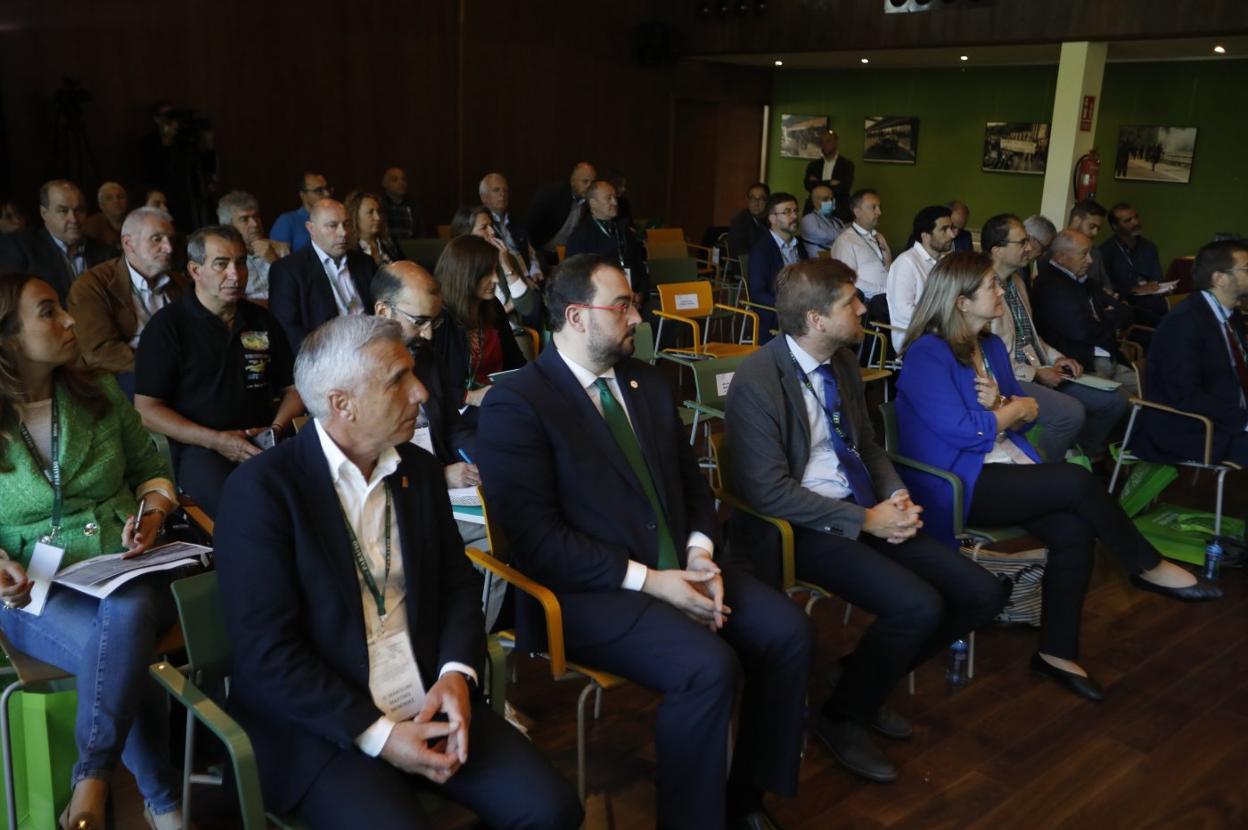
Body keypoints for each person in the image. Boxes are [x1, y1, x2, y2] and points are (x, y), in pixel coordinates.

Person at [476, 254, 813, 830]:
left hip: (682, 563)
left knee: (789, 633)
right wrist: (655, 582)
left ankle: (745, 798)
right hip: (593, 590)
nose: (638, 314)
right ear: (578, 316)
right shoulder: (521, 402)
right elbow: (537, 540)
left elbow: (692, 485)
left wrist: (700, 554)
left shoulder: (647, 381)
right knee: (708, 668)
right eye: (624, 304)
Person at [212, 315, 582, 830]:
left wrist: (457, 674)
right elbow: (268, 654)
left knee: (552, 809)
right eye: (398, 380)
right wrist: (381, 736)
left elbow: (456, 586)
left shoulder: (418, 470)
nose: (421, 392)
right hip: (323, 726)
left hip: (428, 695)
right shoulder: (262, 492)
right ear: (342, 403)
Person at [725, 257, 1005, 783]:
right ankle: (840, 715)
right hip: (798, 528)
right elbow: (768, 491)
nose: (863, 309)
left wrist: (895, 496)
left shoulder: (844, 362)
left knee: (981, 593)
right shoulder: (758, 379)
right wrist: (865, 519)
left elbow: (869, 447)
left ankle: (856, 679)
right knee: (918, 605)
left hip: (861, 509)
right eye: (851, 302)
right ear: (815, 319)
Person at [895, 251, 1219, 701]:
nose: (1001, 290)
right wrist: (1009, 409)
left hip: (1006, 465)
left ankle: (1056, 653)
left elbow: (1026, 419)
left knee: (1073, 531)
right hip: (957, 481)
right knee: (1076, 481)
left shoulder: (988, 346)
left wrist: (1011, 411)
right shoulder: (927, 354)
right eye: (991, 284)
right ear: (961, 302)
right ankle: (1146, 566)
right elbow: (964, 432)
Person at [0, 273, 190, 830]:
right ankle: (165, 808)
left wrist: (152, 514)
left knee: (125, 613)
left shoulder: (98, 389)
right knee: (120, 647)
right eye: (48, 312)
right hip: (33, 587)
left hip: (122, 564)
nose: (69, 320)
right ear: (9, 337)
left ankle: (95, 786)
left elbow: (152, 472)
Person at [134, 225, 302, 517]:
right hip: (201, 448)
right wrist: (216, 440)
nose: (235, 275)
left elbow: (292, 389)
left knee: (312, 492)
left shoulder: (262, 320)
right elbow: (147, 408)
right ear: (195, 270)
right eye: (221, 264)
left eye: (240, 263)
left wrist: (276, 428)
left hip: (264, 439)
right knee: (247, 511)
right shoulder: (167, 327)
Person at [982, 215, 1127, 461]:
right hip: (1011, 376)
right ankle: (1043, 470)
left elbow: (1030, 335)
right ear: (997, 250)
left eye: (1028, 241)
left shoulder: (1016, 280)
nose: (1030, 248)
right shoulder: (981, 288)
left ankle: (1081, 456)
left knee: (1116, 400)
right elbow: (987, 354)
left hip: (1039, 366)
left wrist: (1059, 358)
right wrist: (1035, 373)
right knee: (1071, 413)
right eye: (1022, 243)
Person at [1135, 239, 1248, 464]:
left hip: (1227, 411)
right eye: (1246, 269)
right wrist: (1243, 419)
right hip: (1195, 426)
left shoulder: (1230, 314)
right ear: (1219, 278)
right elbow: (1186, 396)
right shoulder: (1184, 322)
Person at [68, 207, 187, 381]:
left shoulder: (179, 283)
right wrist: (164, 368)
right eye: (157, 239)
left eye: (170, 239)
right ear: (129, 243)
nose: (168, 248)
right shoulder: (91, 286)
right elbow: (100, 351)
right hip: (128, 376)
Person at [430, 235, 525, 422]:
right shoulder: (438, 318)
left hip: (498, 400)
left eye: (495, 270)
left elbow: (515, 361)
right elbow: (429, 383)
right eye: (487, 273)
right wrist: (470, 397)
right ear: (465, 275)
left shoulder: (492, 306)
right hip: (458, 411)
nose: (496, 279)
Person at [1032, 230, 1137, 394]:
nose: (1090, 260)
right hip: (1084, 364)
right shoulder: (1050, 286)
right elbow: (1081, 331)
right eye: (1084, 254)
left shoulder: (1086, 282)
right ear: (1061, 256)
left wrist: (1100, 319)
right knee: (1127, 404)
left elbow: (1126, 312)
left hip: (1110, 357)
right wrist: (1109, 317)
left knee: (1150, 391)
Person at [269, 198, 376, 352]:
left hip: (372, 347)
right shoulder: (288, 270)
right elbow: (287, 330)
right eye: (332, 226)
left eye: (346, 224)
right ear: (311, 228)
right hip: (325, 356)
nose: (343, 233)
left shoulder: (365, 263)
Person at [0, 180, 113, 301]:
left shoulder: (107, 253)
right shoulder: (20, 248)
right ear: (44, 213)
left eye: (79, 210)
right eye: (63, 211)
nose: (74, 219)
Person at [451, 205, 543, 334]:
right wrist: (508, 307)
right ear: (466, 234)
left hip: (509, 330)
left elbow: (527, 307)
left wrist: (506, 264)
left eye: (491, 225)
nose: (492, 231)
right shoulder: (456, 266)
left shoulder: (506, 258)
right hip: (473, 332)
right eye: (484, 228)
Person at [564, 180, 649, 304]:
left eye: (615, 197)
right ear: (593, 203)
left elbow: (639, 266)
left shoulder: (625, 231)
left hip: (634, 298)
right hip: (602, 303)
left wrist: (641, 294)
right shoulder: (580, 237)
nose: (615, 202)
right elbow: (577, 278)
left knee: (670, 320)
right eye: (608, 198)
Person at [885, 205, 954, 351]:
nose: (952, 235)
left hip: (939, 334)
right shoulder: (906, 263)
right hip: (914, 338)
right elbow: (903, 310)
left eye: (951, 228)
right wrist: (942, 322)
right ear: (925, 236)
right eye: (944, 230)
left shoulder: (944, 261)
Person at [748, 191, 807, 342]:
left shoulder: (799, 245)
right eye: (787, 212)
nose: (794, 216)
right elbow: (757, 292)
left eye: (795, 211)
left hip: (803, 306)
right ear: (772, 218)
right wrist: (787, 307)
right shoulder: (761, 249)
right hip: (776, 312)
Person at [1100, 202, 1169, 327]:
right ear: (1115, 226)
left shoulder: (1149, 247)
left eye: (1136, 217)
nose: (1135, 222)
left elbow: (1157, 278)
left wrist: (1155, 285)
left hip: (1153, 300)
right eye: (1128, 220)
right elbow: (1105, 286)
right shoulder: (1106, 251)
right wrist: (1133, 289)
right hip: (1126, 303)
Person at [216, 190, 289, 303]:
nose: (255, 224)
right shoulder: (222, 260)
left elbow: (298, 288)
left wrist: (275, 261)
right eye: (245, 219)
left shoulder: (282, 249)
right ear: (229, 226)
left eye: (256, 216)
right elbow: (231, 301)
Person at [524, 161, 596, 267]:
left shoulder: (591, 201)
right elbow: (530, 223)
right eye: (585, 181)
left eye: (592, 182)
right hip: (542, 251)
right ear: (572, 181)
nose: (589, 186)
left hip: (569, 254)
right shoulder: (554, 194)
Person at [829, 190, 892, 307]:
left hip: (888, 298)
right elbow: (849, 279)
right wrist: (885, 291)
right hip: (868, 303)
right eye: (873, 208)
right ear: (857, 212)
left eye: (879, 207)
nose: (879, 212)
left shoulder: (878, 236)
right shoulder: (846, 240)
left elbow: (886, 268)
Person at [479, 172, 541, 281]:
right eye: (496, 190)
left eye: (505, 190)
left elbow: (530, 251)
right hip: (504, 278)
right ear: (484, 197)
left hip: (528, 276)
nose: (502, 194)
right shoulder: (482, 223)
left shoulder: (517, 220)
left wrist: (535, 270)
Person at [269, 172, 331, 252]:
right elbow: (279, 260)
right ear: (303, 195)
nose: (327, 194)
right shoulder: (287, 221)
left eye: (328, 188)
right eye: (318, 190)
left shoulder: (336, 219)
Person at [803, 130, 854, 222]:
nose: (824, 145)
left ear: (836, 142)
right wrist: (829, 182)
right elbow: (808, 185)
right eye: (821, 142)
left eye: (828, 141)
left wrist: (818, 183)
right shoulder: (813, 165)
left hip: (839, 210)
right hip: (814, 209)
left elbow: (843, 188)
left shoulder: (847, 165)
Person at [345, 190, 403, 267]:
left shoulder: (389, 242)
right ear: (354, 216)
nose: (378, 217)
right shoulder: (349, 250)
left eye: (378, 211)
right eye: (370, 212)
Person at [1065, 199, 1109, 289]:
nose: (1095, 233)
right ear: (1076, 221)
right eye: (1092, 226)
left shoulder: (1095, 251)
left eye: (1098, 229)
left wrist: (1108, 292)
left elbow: (1106, 284)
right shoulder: (1056, 249)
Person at [799, 183, 845, 259]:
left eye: (832, 198)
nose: (830, 202)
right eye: (825, 199)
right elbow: (824, 236)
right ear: (815, 202)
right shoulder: (808, 219)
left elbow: (846, 238)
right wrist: (844, 231)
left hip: (838, 259)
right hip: (818, 263)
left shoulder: (837, 220)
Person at [727, 182, 769, 260]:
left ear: (767, 201)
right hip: (747, 266)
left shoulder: (771, 219)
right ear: (748, 201)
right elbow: (739, 254)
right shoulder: (739, 221)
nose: (756, 203)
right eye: (752, 198)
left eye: (761, 199)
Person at [380, 166, 423, 240]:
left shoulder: (413, 206)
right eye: (395, 180)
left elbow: (421, 234)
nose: (401, 183)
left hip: (412, 247)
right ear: (384, 184)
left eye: (403, 179)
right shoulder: (379, 205)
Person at [83, 181, 128, 251]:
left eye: (120, 197)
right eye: (109, 198)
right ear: (101, 204)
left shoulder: (136, 220)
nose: (116, 201)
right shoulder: (90, 226)